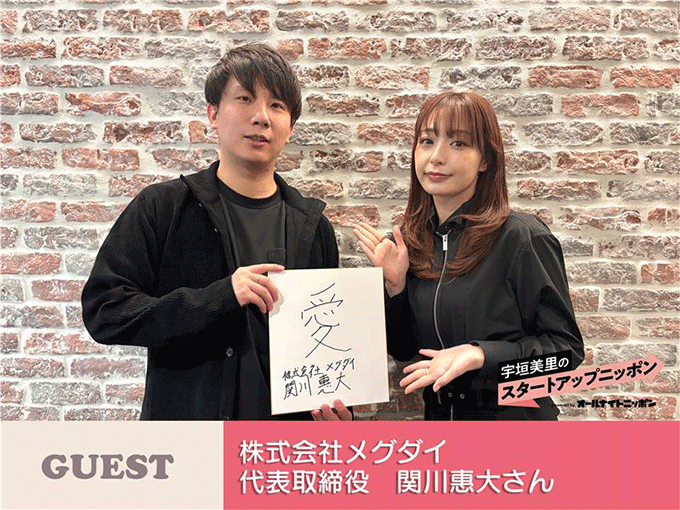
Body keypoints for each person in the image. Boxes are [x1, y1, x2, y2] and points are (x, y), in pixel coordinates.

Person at [82, 43, 350, 421]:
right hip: (189, 441)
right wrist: (222, 296)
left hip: (279, 448)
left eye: (276, 105)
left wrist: (336, 414)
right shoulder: (163, 207)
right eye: (245, 99)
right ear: (213, 113)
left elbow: (325, 342)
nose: (261, 117)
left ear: (290, 128)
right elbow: (105, 312)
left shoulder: (313, 227)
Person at [354, 91, 584, 420]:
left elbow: (566, 352)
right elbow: (405, 351)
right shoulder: (410, 243)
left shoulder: (521, 237)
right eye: (427, 141)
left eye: (458, 143)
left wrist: (479, 355)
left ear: (485, 159)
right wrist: (396, 286)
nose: (436, 157)